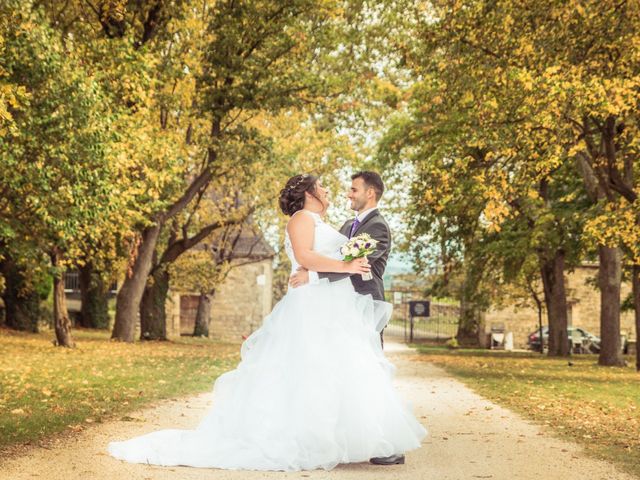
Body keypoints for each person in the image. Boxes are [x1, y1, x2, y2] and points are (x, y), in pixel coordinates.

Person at [107, 173, 427, 471]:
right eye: (322, 187)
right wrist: (328, 269)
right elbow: (306, 257)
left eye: (351, 188)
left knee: (342, 371)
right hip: (315, 305)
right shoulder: (302, 219)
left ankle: (352, 439)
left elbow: (333, 259)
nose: (332, 191)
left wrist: (322, 270)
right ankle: (313, 439)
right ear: (308, 194)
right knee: (316, 371)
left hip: (336, 303)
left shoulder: (330, 222)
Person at [288, 170, 404, 466]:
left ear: (371, 193)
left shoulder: (378, 226)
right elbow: (338, 258)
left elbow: (358, 264)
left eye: (354, 189)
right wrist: (317, 271)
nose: (347, 194)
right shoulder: (343, 224)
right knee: (344, 373)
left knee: (369, 370)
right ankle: (354, 440)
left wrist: (312, 273)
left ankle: (386, 443)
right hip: (338, 306)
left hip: (365, 304)